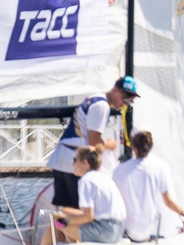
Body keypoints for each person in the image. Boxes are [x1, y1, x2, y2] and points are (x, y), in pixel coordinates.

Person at [47, 77, 136, 210]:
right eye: (125, 98)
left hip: (61, 159)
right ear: (114, 90)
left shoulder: (94, 98)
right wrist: (109, 144)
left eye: (130, 100)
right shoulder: (101, 106)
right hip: (75, 162)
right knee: (79, 212)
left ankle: (56, 230)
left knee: (65, 211)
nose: (126, 103)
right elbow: (93, 142)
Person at [111, 129, 184, 241]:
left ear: (133, 146)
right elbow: (168, 202)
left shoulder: (118, 170)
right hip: (151, 231)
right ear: (151, 146)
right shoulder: (160, 167)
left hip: (126, 231)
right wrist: (183, 214)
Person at [53, 146, 127, 245]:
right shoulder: (103, 176)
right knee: (63, 211)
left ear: (85, 163)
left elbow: (88, 216)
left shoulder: (86, 181)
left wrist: (64, 221)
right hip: (118, 229)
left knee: (59, 223)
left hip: (105, 231)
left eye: (75, 160)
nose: (72, 164)